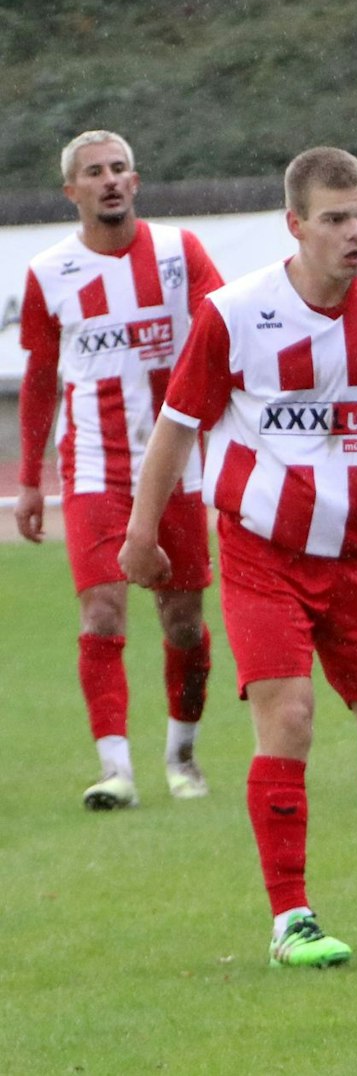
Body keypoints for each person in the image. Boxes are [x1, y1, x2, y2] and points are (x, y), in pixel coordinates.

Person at [120, 147, 357, 968]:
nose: (355, 231)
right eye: (336, 219)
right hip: (262, 552)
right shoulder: (235, 313)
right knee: (288, 717)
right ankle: (290, 919)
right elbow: (177, 427)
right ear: (294, 225)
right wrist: (142, 531)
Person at [14, 130, 223, 810]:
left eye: (119, 169)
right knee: (102, 613)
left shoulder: (179, 252)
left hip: (177, 467)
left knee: (182, 622)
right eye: (94, 172)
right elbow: (40, 377)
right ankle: (116, 772)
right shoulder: (50, 272)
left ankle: (182, 757)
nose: (108, 179)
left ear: (135, 182)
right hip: (94, 467)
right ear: (71, 191)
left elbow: (226, 333)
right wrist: (28, 479)